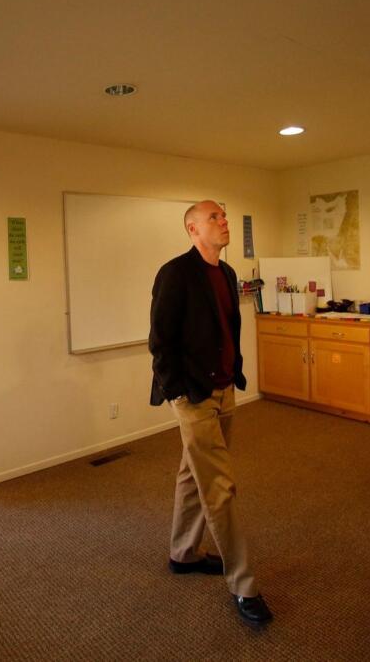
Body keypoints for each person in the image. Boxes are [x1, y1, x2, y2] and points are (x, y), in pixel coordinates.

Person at [148, 200, 272, 625]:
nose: (224, 221)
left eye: (224, 216)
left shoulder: (228, 272)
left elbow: (226, 328)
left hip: (223, 389)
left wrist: (233, 373)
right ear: (192, 229)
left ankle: (183, 553)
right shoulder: (175, 273)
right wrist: (179, 391)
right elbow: (160, 343)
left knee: (192, 471)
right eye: (214, 217)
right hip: (194, 395)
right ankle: (244, 584)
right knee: (219, 486)